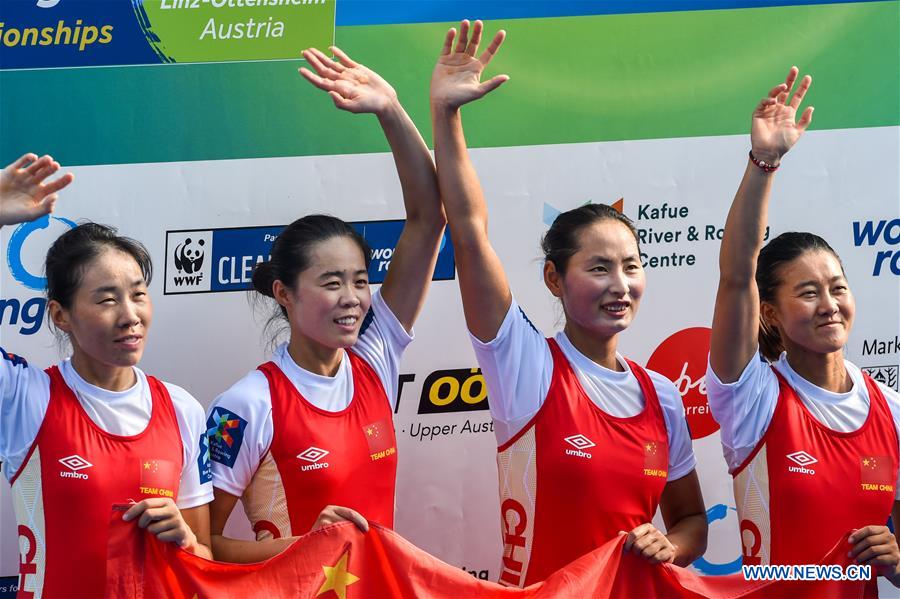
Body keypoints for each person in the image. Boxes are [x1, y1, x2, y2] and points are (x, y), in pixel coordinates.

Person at [428, 20, 707, 587]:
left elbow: (691, 520)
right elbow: (470, 232)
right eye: (598, 268)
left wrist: (671, 545)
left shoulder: (663, 396)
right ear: (554, 279)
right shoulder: (525, 365)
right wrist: (447, 117)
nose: (620, 284)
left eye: (631, 266)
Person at [206, 47, 446, 562]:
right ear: (284, 293)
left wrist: (391, 110)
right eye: (331, 282)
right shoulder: (247, 405)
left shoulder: (374, 356)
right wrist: (304, 549)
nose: (353, 299)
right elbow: (201, 547)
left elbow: (430, 218)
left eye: (360, 281)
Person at [707, 68, 900, 590]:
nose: (829, 305)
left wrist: (898, 562)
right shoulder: (752, 397)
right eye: (808, 293)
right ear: (768, 311)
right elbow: (735, 275)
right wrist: (764, 162)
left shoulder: (892, 409)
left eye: (837, 288)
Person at [0, 154, 213, 598]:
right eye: (107, 300)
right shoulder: (27, 397)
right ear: (60, 315)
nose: (130, 315)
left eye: (138, 294)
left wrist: (188, 540)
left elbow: (205, 561)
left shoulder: (182, 409)